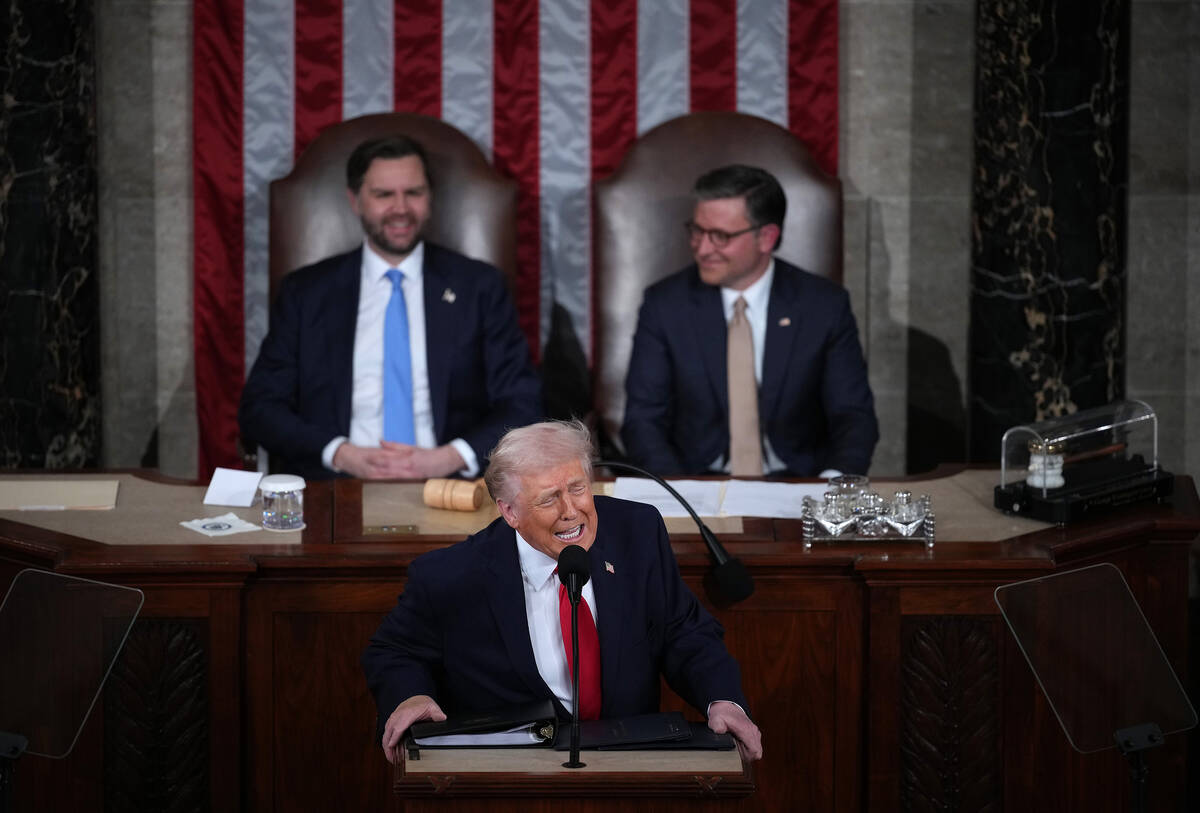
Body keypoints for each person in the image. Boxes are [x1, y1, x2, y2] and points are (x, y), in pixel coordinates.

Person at [361, 420, 763, 763]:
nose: (571, 511)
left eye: (577, 488)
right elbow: (396, 651)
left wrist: (722, 699)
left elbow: (683, 631)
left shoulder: (637, 534)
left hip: (628, 768)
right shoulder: (452, 575)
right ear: (510, 511)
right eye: (549, 499)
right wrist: (409, 697)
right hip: (508, 779)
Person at [239, 134, 542, 481]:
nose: (401, 208)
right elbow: (260, 408)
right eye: (383, 195)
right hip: (336, 486)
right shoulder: (306, 293)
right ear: (355, 201)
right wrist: (339, 453)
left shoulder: (479, 287)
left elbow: (523, 403)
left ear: (429, 198)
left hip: (450, 485)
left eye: (413, 193)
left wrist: (452, 456)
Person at [622, 164, 879, 478]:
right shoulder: (665, 305)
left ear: (766, 237)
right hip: (695, 481)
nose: (702, 248)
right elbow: (643, 420)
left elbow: (853, 416)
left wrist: (832, 487)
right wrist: (678, 491)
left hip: (799, 482)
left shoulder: (823, 306)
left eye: (719, 236)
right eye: (697, 231)